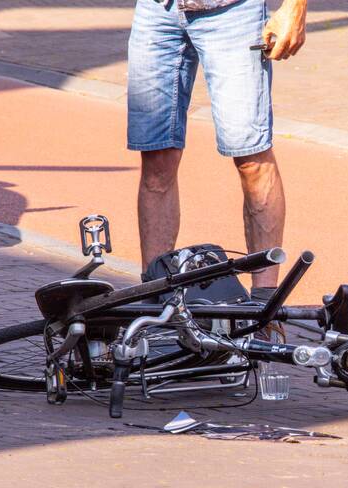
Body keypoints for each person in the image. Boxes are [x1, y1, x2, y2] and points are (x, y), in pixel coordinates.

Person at [127, 0, 307, 300]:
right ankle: (156, 301)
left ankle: (264, 307)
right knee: (157, 157)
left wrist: (294, 7)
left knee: (251, 156)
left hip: (233, 12)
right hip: (157, 11)